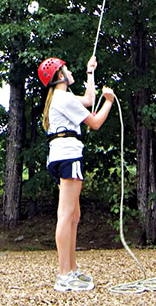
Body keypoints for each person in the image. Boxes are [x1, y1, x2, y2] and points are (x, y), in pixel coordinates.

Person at [39, 54, 114, 292]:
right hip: (69, 155)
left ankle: (71, 270)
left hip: (61, 155)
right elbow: (94, 121)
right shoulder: (63, 98)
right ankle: (64, 274)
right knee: (66, 214)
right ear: (60, 76)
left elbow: (89, 99)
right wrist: (109, 102)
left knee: (74, 215)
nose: (70, 71)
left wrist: (90, 72)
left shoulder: (61, 97)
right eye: (67, 69)